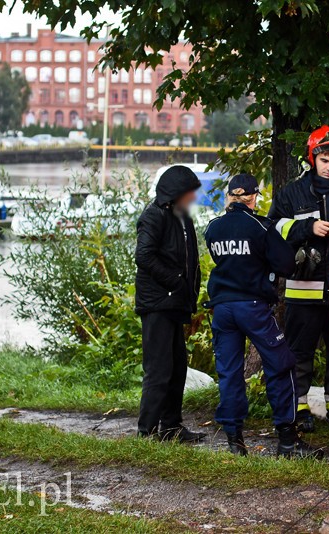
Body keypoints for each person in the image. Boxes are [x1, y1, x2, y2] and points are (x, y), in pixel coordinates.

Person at [205, 174, 323, 458]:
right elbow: (285, 264)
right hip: (252, 307)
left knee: (229, 372)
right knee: (281, 365)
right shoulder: (260, 225)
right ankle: (288, 441)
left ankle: (234, 441)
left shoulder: (213, 228)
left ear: (230, 196)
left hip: (222, 308)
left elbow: (223, 259)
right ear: (253, 197)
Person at [268, 126, 329, 432]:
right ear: (312, 158)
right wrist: (308, 228)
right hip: (303, 291)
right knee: (299, 353)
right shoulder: (291, 193)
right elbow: (273, 229)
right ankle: (298, 408)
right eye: (324, 161)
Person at [134, 165, 206, 443]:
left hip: (175, 303)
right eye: (190, 191)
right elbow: (144, 256)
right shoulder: (154, 216)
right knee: (159, 370)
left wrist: (188, 291)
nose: (194, 197)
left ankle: (171, 427)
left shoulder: (182, 217)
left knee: (177, 368)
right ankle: (147, 432)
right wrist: (175, 281)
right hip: (157, 304)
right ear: (176, 192)